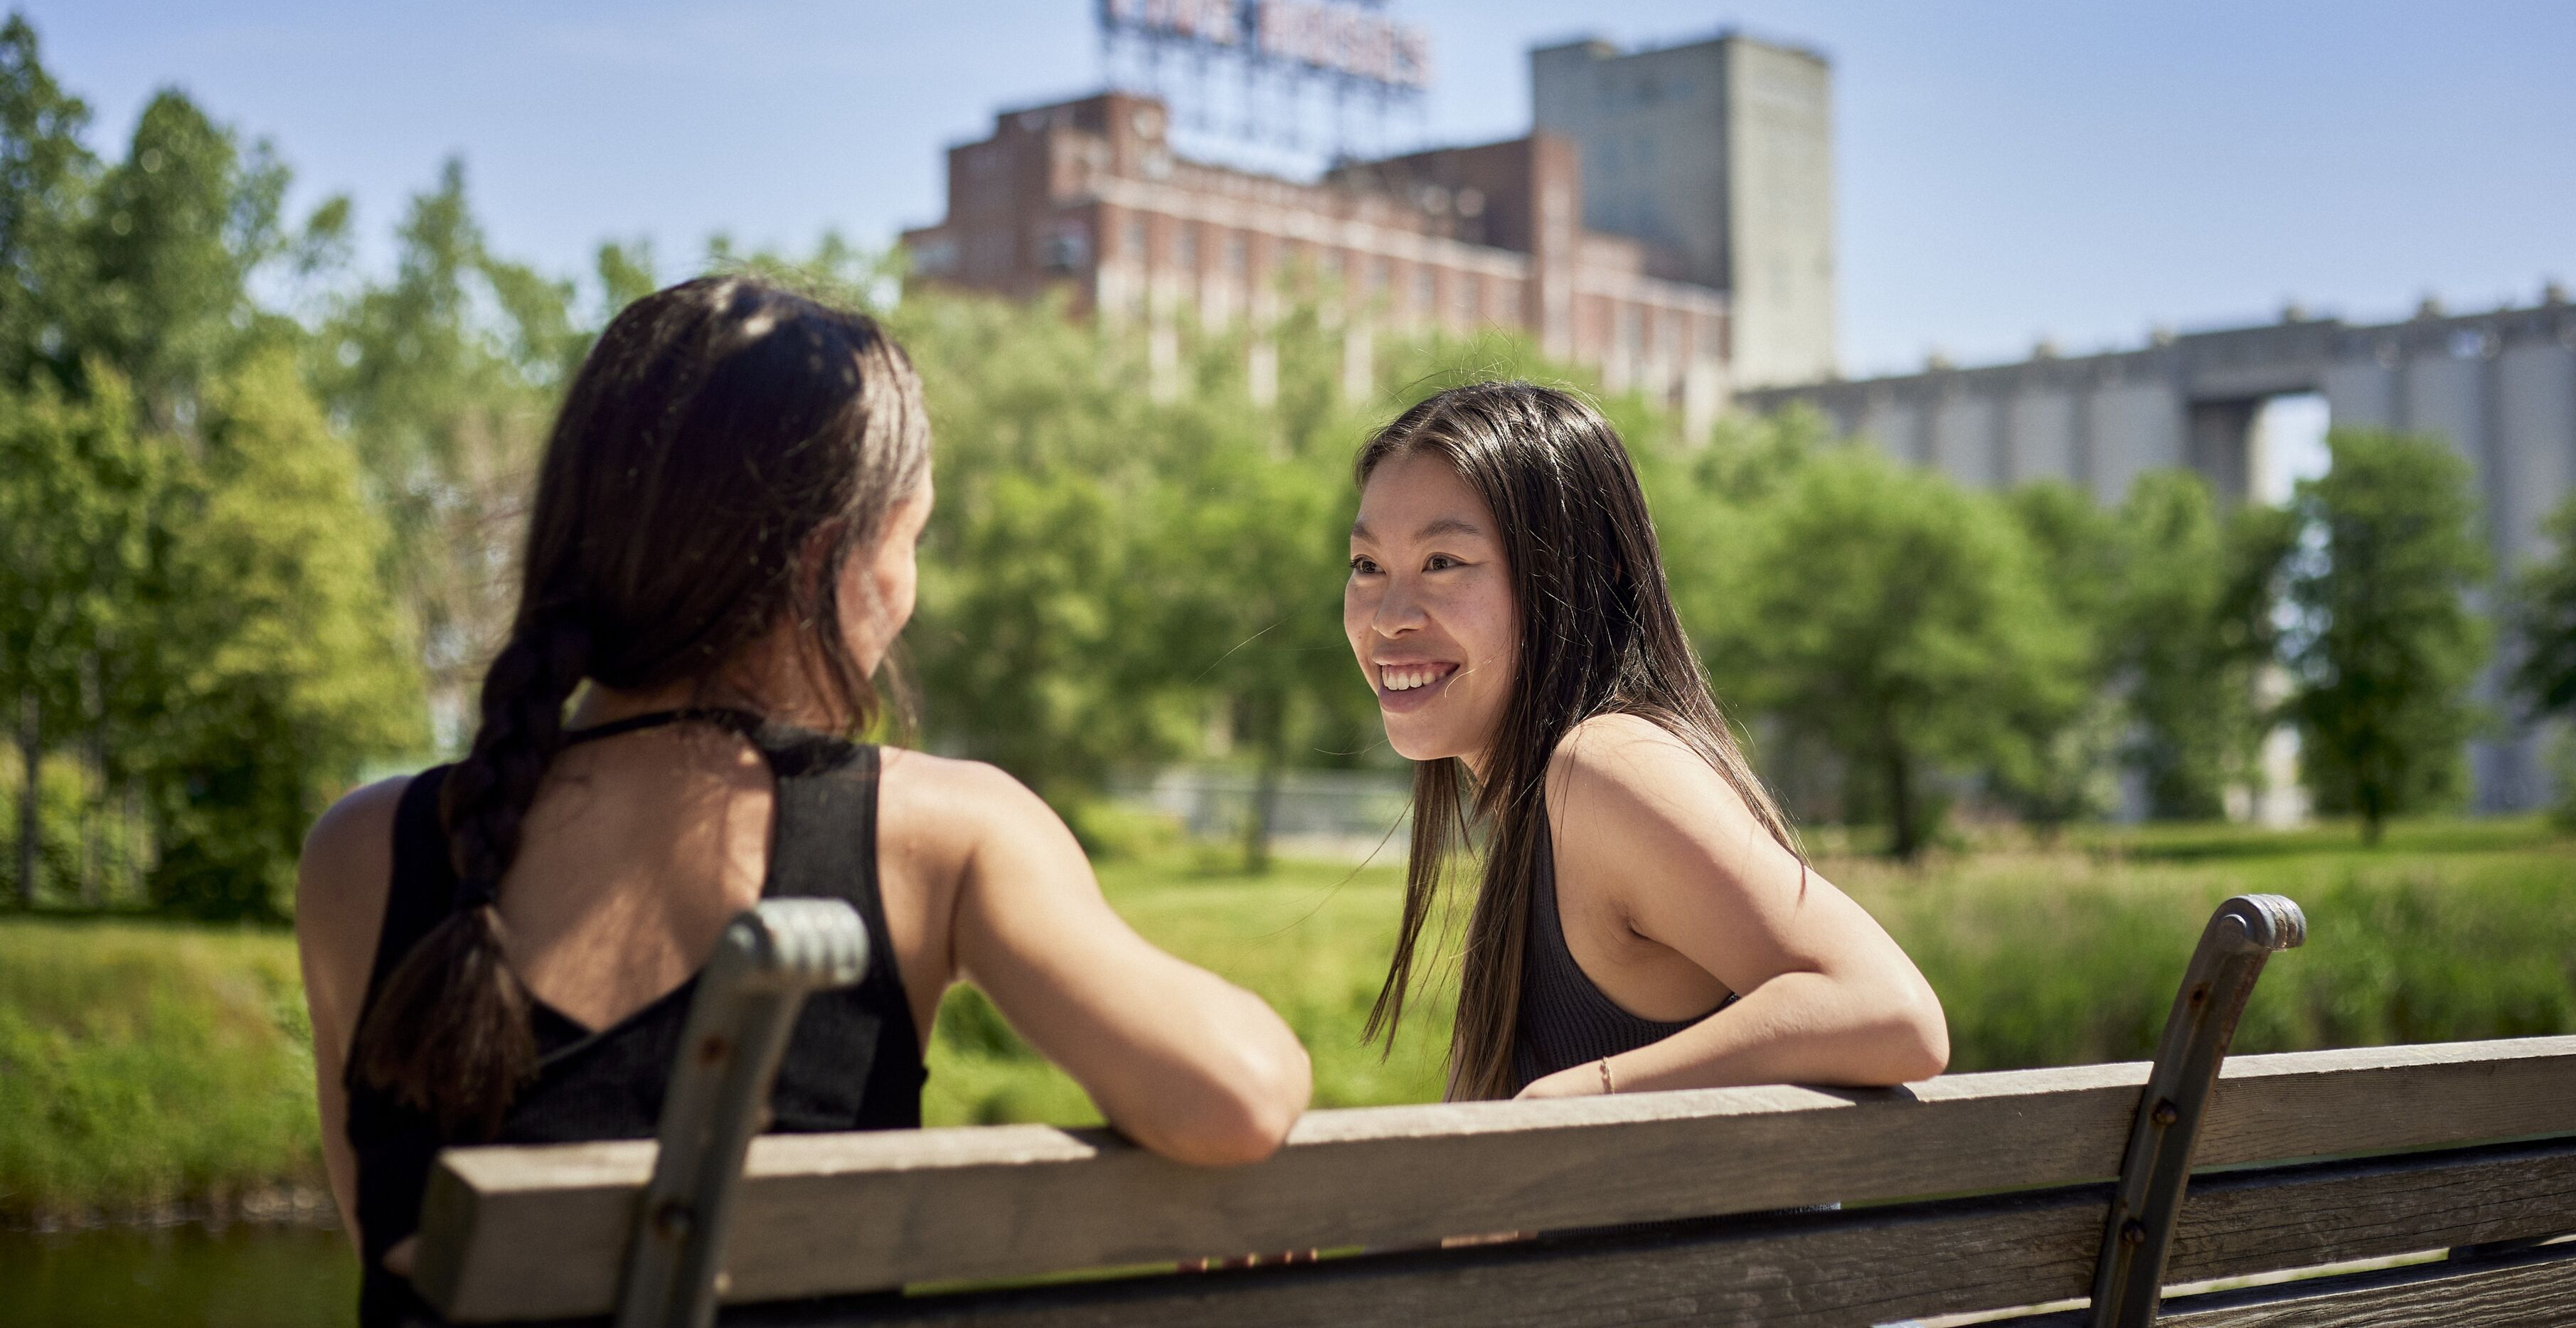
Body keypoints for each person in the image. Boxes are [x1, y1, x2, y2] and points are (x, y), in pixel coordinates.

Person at [297, 278, 1311, 1325]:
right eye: (911, 538)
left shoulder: (363, 852)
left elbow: (391, 1246)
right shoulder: (941, 834)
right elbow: (1235, 1095)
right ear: (837, 559)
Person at [1346, 381, 1948, 1102]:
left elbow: (1892, 1012)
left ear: (1582, 577)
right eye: (1367, 566)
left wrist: (1577, 1097)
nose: (1387, 616)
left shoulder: (1605, 771)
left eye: (1443, 561)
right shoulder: (1539, 808)